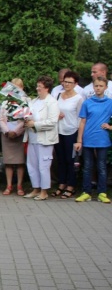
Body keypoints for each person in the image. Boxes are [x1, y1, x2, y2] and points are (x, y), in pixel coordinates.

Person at [74, 76, 112, 203]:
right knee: (87, 167)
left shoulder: (110, 103)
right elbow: (82, 122)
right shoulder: (87, 103)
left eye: (101, 86)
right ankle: (86, 192)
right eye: (96, 86)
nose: (98, 88)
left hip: (102, 140)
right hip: (88, 139)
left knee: (101, 167)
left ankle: (102, 193)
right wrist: (79, 140)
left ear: (106, 87)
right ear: (93, 87)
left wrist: (110, 127)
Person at [22, 76, 59, 201]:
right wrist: (26, 120)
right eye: (37, 86)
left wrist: (35, 124)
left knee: (44, 165)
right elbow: (28, 114)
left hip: (45, 139)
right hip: (32, 137)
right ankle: (36, 188)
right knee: (32, 165)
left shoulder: (52, 102)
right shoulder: (34, 101)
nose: (37, 88)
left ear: (47, 88)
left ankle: (44, 191)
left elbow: (52, 122)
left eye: (40, 86)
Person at [54, 71, 83, 199]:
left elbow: (81, 119)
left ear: (75, 84)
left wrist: (79, 138)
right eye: (65, 82)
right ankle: (61, 183)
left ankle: (71, 186)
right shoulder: (58, 95)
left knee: (70, 160)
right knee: (60, 160)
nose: (66, 84)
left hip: (71, 131)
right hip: (58, 131)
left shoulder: (78, 98)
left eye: (70, 82)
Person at [0, 78, 27, 197]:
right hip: (6, 134)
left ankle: (19, 185)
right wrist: (7, 131)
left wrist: (16, 131)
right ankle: (9, 185)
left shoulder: (25, 102)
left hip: (19, 135)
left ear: (22, 88)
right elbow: (0, 118)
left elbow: (26, 119)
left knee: (20, 162)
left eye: (18, 87)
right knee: (8, 162)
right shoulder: (5, 102)